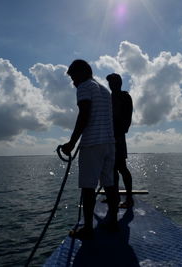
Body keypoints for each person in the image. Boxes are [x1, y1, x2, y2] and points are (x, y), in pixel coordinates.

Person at [61, 60, 119, 240]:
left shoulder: (85, 87)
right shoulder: (104, 90)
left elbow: (84, 114)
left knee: (87, 187)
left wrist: (71, 142)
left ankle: (87, 228)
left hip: (92, 143)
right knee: (109, 183)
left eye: (73, 77)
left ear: (81, 73)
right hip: (110, 143)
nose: (73, 82)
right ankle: (113, 221)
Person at [106, 73, 134, 208]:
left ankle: (129, 199)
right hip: (109, 138)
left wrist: (121, 130)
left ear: (119, 83)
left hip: (118, 137)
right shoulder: (109, 98)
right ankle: (114, 197)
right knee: (112, 169)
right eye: (110, 83)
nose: (111, 85)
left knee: (122, 167)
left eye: (113, 82)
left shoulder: (124, 97)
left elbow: (127, 117)